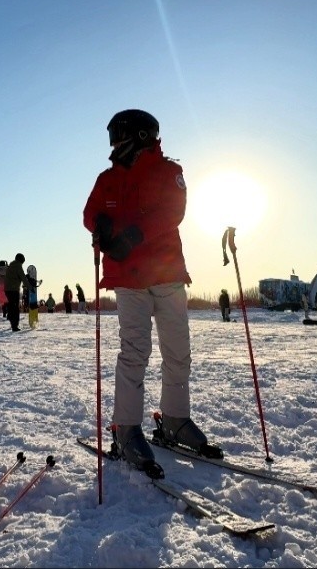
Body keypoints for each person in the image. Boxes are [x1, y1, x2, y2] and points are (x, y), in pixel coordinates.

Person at [83, 108, 221, 479]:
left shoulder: (169, 172)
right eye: (112, 136)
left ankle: (175, 418)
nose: (114, 143)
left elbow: (173, 212)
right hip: (128, 278)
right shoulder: (107, 178)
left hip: (166, 274)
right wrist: (101, 224)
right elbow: (90, 212)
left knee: (178, 350)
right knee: (135, 352)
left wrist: (135, 234)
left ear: (142, 135)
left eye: (120, 134)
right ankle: (126, 429)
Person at [4, 253, 27, 331]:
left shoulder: (10, 266)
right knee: (15, 308)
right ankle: (15, 326)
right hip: (14, 290)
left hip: (7, 290)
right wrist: (30, 287)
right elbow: (23, 278)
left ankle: (11, 320)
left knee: (11, 306)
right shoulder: (18, 266)